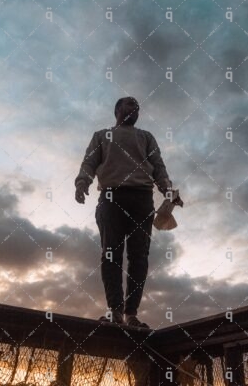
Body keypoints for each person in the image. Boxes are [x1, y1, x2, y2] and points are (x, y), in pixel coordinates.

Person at [74, 96, 183, 328]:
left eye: (137, 106)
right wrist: (82, 183)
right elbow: (89, 163)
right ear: (117, 110)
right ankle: (115, 311)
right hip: (111, 197)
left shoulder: (146, 137)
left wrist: (168, 190)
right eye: (130, 104)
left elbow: (158, 166)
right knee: (111, 253)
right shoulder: (102, 135)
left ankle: (131, 314)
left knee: (139, 257)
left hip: (142, 198)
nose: (135, 108)